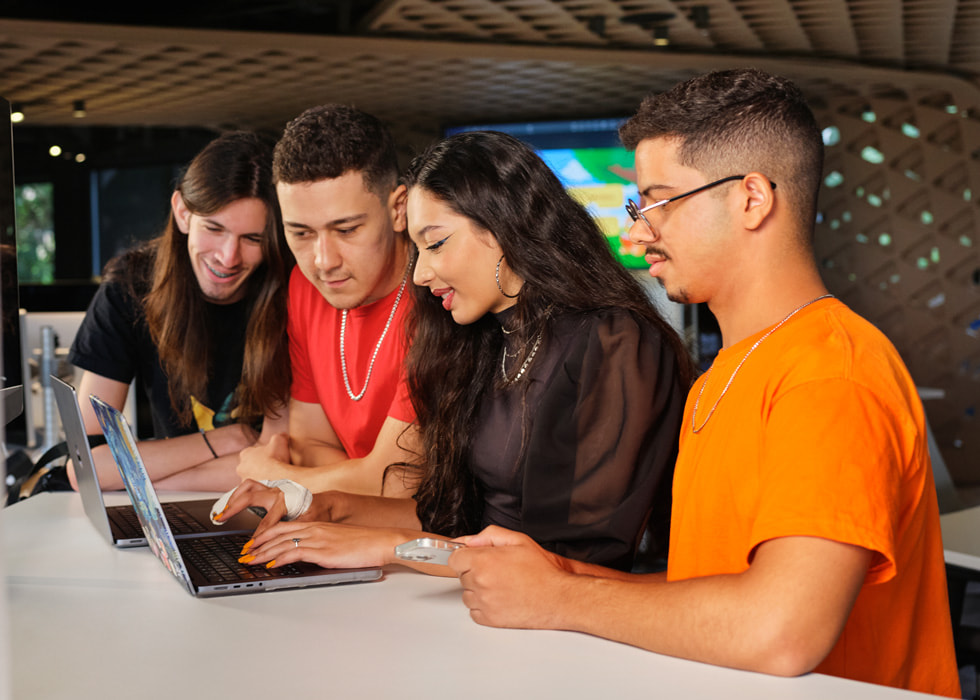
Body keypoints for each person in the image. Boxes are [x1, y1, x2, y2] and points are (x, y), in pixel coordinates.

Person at [445, 69, 960, 697]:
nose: (636, 233)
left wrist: (558, 598)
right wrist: (562, 575)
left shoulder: (830, 372)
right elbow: (717, 596)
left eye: (658, 203)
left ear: (751, 198)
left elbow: (780, 630)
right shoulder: (727, 373)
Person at [216, 130, 692, 573]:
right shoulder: (485, 339)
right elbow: (452, 521)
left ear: (505, 228)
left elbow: (565, 564)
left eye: (436, 244)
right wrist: (320, 506)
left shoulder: (617, 344)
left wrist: (387, 547)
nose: (420, 274)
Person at [68, 131, 293, 492]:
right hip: (181, 515)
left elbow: (277, 468)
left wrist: (144, 486)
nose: (228, 257)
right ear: (183, 213)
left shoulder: (291, 294)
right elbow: (88, 465)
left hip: (260, 514)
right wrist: (224, 440)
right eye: (214, 229)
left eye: (253, 239)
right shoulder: (129, 289)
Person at [233, 104, 417, 495]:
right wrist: (363, 477)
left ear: (398, 208)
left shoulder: (436, 298)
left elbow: (398, 486)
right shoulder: (305, 286)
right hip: (344, 531)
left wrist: (274, 477)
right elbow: (309, 445)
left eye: (346, 230)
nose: (323, 261)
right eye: (300, 233)